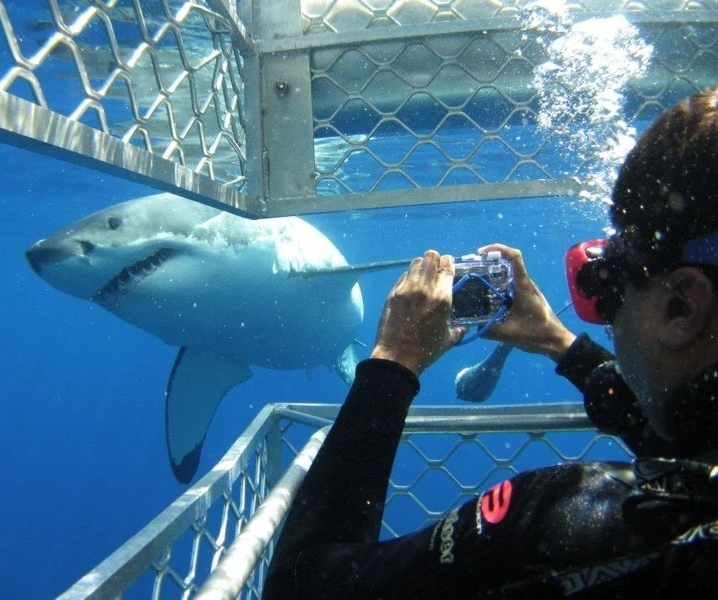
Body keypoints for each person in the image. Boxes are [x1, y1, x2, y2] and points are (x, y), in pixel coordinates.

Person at [262, 87, 718, 598]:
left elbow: (302, 585)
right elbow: (688, 438)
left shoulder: (580, 521)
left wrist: (392, 363)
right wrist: (560, 344)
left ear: (681, 307)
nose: (607, 321)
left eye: (605, 288)